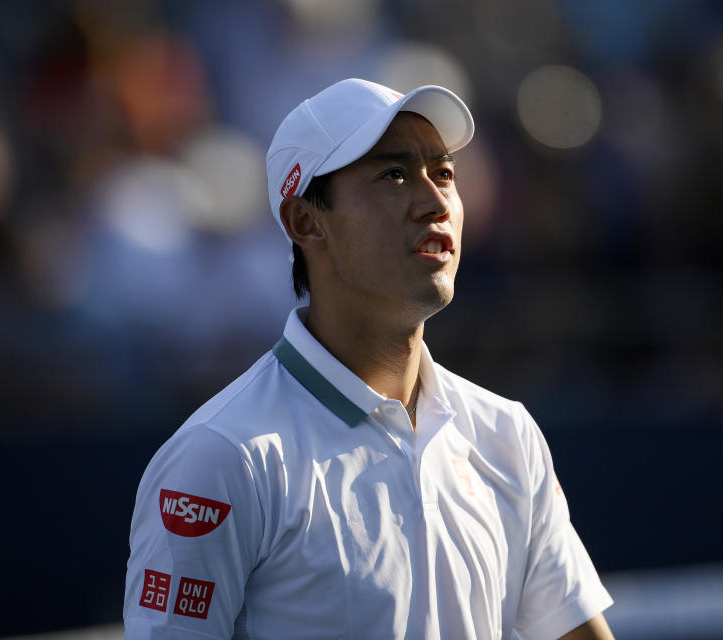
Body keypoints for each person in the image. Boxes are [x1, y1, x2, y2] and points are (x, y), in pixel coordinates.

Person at [123, 78, 614, 639]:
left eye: (444, 172)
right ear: (305, 221)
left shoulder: (508, 436)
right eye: (394, 175)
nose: (435, 201)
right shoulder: (220, 457)